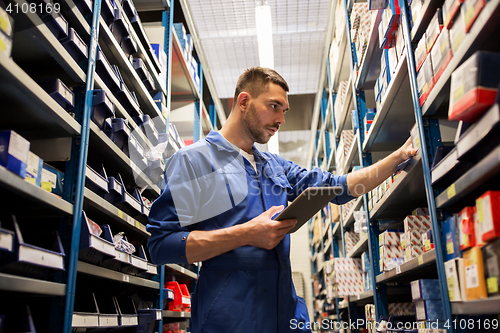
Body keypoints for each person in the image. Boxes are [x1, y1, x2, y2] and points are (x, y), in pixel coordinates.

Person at [147, 67, 416, 332]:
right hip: (229, 319)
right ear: (243, 101)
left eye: (284, 111)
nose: (281, 119)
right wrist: (246, 234)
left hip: (283, 314)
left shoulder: (274, 166)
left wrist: (397, 159)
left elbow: (339, 188)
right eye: (274, 106)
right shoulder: (193, 161)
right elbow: (161, 245)